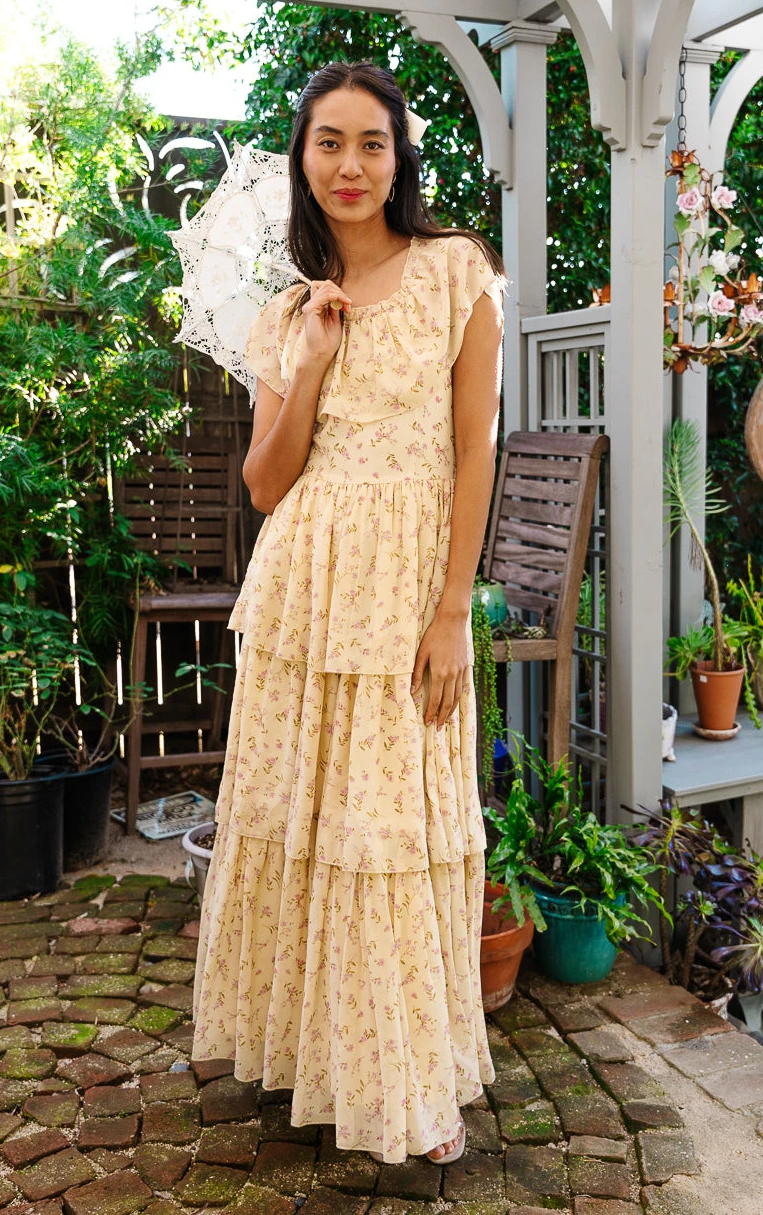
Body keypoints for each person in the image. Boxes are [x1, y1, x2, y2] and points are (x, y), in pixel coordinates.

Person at [193, 60, 504, 1166]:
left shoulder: (456, 272)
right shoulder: (288, 312)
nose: (351, 165)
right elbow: (266, 484)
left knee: (391, 831)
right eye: (329, 142)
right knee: (304, 824)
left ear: (399, 157)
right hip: (304, 594)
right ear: (303, 160)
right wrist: (315, 359)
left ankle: (406, 1087)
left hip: (405, 591)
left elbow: (475, 452)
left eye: (372, 142)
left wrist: (452, 611)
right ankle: (312, 1055)